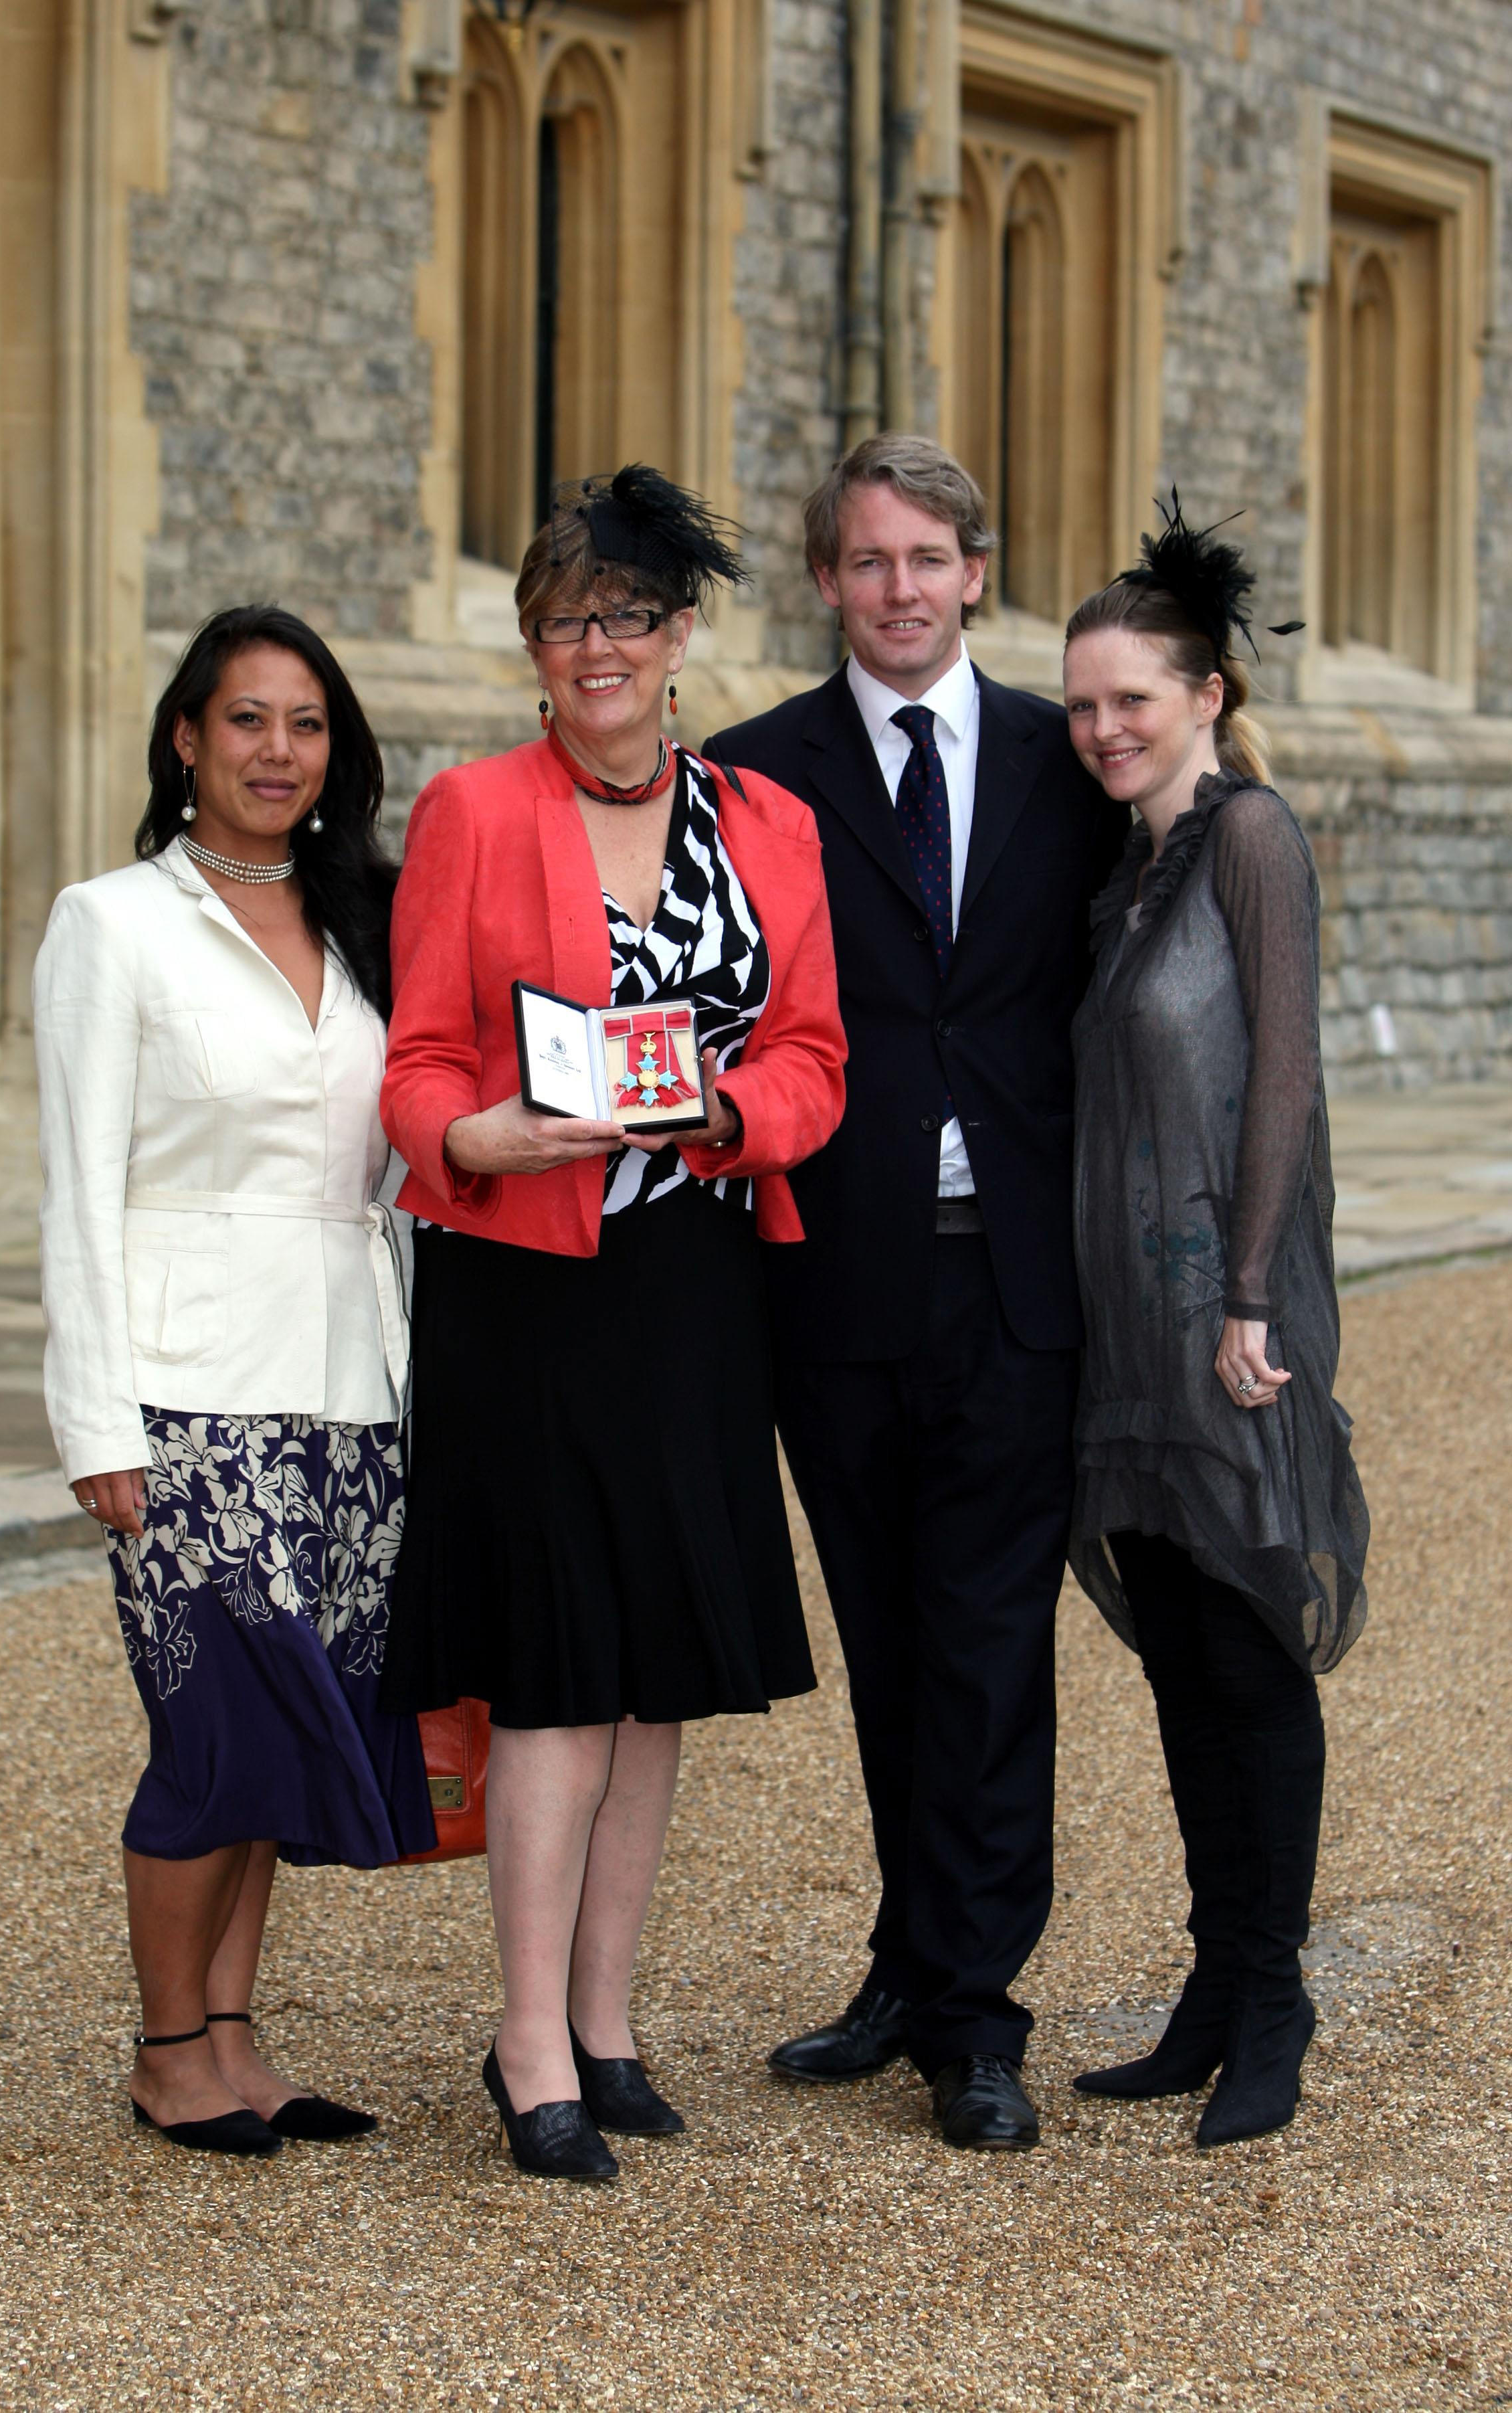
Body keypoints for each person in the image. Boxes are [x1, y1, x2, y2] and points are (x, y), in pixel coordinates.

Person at [380, 466, 846, 2183]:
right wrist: (473, 1137)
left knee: (655, 1683)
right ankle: (525, 2045)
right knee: (562, 1678)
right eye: (568, 617)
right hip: (528, 1283)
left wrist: (732, 1119)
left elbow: (814, 1055)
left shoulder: (768, 825)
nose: (601, 646)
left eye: (630, 616)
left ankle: (609, 2018)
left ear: (682, 636)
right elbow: (421, 1065)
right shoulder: (475, 812)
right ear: (533, 642)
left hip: (694, 1288)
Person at [705, 434, 1128, 2153]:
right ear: (828, 583)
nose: (899, 590)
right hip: (838, 1279)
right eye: (867, 562)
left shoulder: (1067, 758)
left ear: (976, 572)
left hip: (1024, 1279)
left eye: (928, 560)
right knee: (888, 1641)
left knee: (989, 1646)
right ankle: (908, 1957)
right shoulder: (750, 776)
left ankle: (977, 2016)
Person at [34, 604, 433, 2159]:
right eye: (247, 719)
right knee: (211, 1727)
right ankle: (162, 2050)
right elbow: (76, 1186)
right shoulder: (113, 920)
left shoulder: (362, 926)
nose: (279, 750)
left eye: (307, 723)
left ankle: (237, 2041)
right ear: (186, 738)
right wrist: (95, 1422)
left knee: (292, 1723)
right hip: (187, 1393)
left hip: (351, 1384)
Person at [1062, 501, 1369, 2147]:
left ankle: (1274, 1998)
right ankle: (1210, 1981)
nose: (1106, 728)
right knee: (1184, 1663)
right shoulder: (1126, 877)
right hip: (1131, 1331)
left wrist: (1253, 1295)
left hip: (1230, 1319)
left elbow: (1287, 1077)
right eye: (1084, 703)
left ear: (1208, 699)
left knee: (1251, 1660)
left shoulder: (1249, 839)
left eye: (1136, 698)